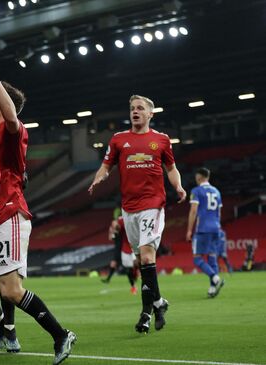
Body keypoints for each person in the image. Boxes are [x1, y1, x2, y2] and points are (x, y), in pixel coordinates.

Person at [0, 71, 76, 364]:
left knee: (11, 290)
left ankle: (60, 334)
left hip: (9, 214)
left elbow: (13, 121)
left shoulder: (13, 129)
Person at [88, 95, 186, 333]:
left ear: (150, 114)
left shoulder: (161, 140)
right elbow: (106, 165)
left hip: (153, 204)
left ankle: (145, 315)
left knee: (147, 257)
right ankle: (159, 303)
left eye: (140, 108)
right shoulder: (119, 139)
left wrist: (179, 187)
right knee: (142, 261)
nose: (135, 111)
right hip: (129, 208)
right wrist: (98, 178)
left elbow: (171, 169)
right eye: (132, 108)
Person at [186, 167, 225, 298]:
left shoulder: (196, 191)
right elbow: (219, 213)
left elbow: (193, 211)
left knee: (197, 258)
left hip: (203, 229)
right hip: (216, 228)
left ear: (199, 177)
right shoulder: (217, 191)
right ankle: (213, 289)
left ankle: (215, 278)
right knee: (212, 257)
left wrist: (189, 230)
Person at [103, 217, 140, 295]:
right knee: (126, 268)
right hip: (122, 249)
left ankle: (136, 273)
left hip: (132, 246)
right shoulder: (117, 230)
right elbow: (112, 237)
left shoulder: (126, 223)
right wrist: (112, 231)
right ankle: (133, 285)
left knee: (136, 262)